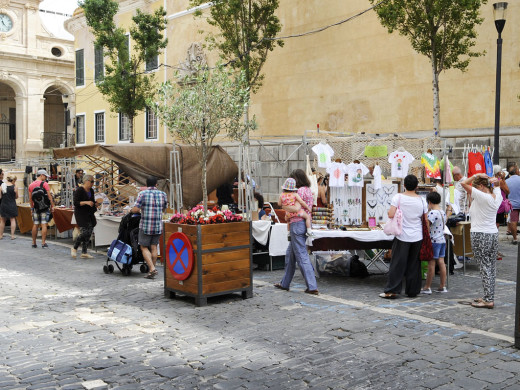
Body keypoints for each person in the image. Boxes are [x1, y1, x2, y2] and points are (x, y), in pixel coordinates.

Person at [380, 174, 426, 299]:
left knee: (397, 264)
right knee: (414, 264)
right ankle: (412, 291)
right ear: (417, 186)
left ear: (404, 185)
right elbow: (425, 219)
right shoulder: (422, 200)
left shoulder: (398, 197)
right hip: (417, 235)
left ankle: (392, 290)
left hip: (402, 235)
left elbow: (391, 214)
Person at [275, 169, 319, 295]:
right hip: (303, 223)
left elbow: (295, 208)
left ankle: (312, 286)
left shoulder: (297, 191)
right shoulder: (308, 190)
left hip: (296, 223)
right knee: (291, 254)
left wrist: (283, 207)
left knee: (301, 255)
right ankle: (285, 283)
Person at [461, 173, 502, 309]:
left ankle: (488, 299)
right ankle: (488, 295)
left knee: (484, 266)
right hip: (493, 234)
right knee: (490, 266)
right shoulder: (497, 196)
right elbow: (497, 186)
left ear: (481, 186)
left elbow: (463, 183)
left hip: (480, 234)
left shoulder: (482, 196)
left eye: (477, 187)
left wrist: (476, 175)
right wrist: (494, 182)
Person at [131, 176, 168, 279]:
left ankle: (151, 269)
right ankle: (152, 269)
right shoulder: (163, 194)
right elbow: (164, 208)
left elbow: (135, 209)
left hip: (146, 225)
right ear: (156, 184)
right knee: (154, 247)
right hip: (157, 225)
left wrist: (131, 210)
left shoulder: (142, 194)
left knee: (143, 247)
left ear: (146, 185)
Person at [421, 191, 447, 294]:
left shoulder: (432, 213)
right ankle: (442, 286)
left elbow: (427, 225)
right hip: (442, 240)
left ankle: (427, 287)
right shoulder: (442, 212)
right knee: (441, 262)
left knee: (431, 264)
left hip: (434, 240)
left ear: (429, 202)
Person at [71, 175, 100, 259]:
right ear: (86, 181)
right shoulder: (79, 190)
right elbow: (76, 202)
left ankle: (84, 252)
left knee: (89, 232)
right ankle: (75, 247)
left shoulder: (91, 190)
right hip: (81, 214)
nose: (92, 184)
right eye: (91, 181)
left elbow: (92, 201)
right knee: (84, 232)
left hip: (89, 213)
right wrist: (86, 202)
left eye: (93, 182)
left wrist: (95, 204)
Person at [28, 169, 55, 249]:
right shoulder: (45, 184)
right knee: (44, 224)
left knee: (35, 224)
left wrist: (32, 208)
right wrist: (52, 206)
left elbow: (30, 199)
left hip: (36, 208)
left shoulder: (31, 185)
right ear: (41, 175)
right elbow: (49, 196)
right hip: (44, 207)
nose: (46, 178)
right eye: (45, 176)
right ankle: (43, 243)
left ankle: (33, 243)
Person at [0, 176, 19, 240]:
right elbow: (16, 197)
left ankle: (0, 235)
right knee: (12, 219)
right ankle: (12, 235)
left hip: (4, 204)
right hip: (12, 204)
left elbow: (0, 196)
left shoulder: (2, 186)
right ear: (13, 180)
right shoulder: (15, 187)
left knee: (2, 220)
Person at [506, 164, 520, 245]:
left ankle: (515, 239)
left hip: (513, 204)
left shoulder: (507, 181)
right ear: (517, 171)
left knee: (513, 221)